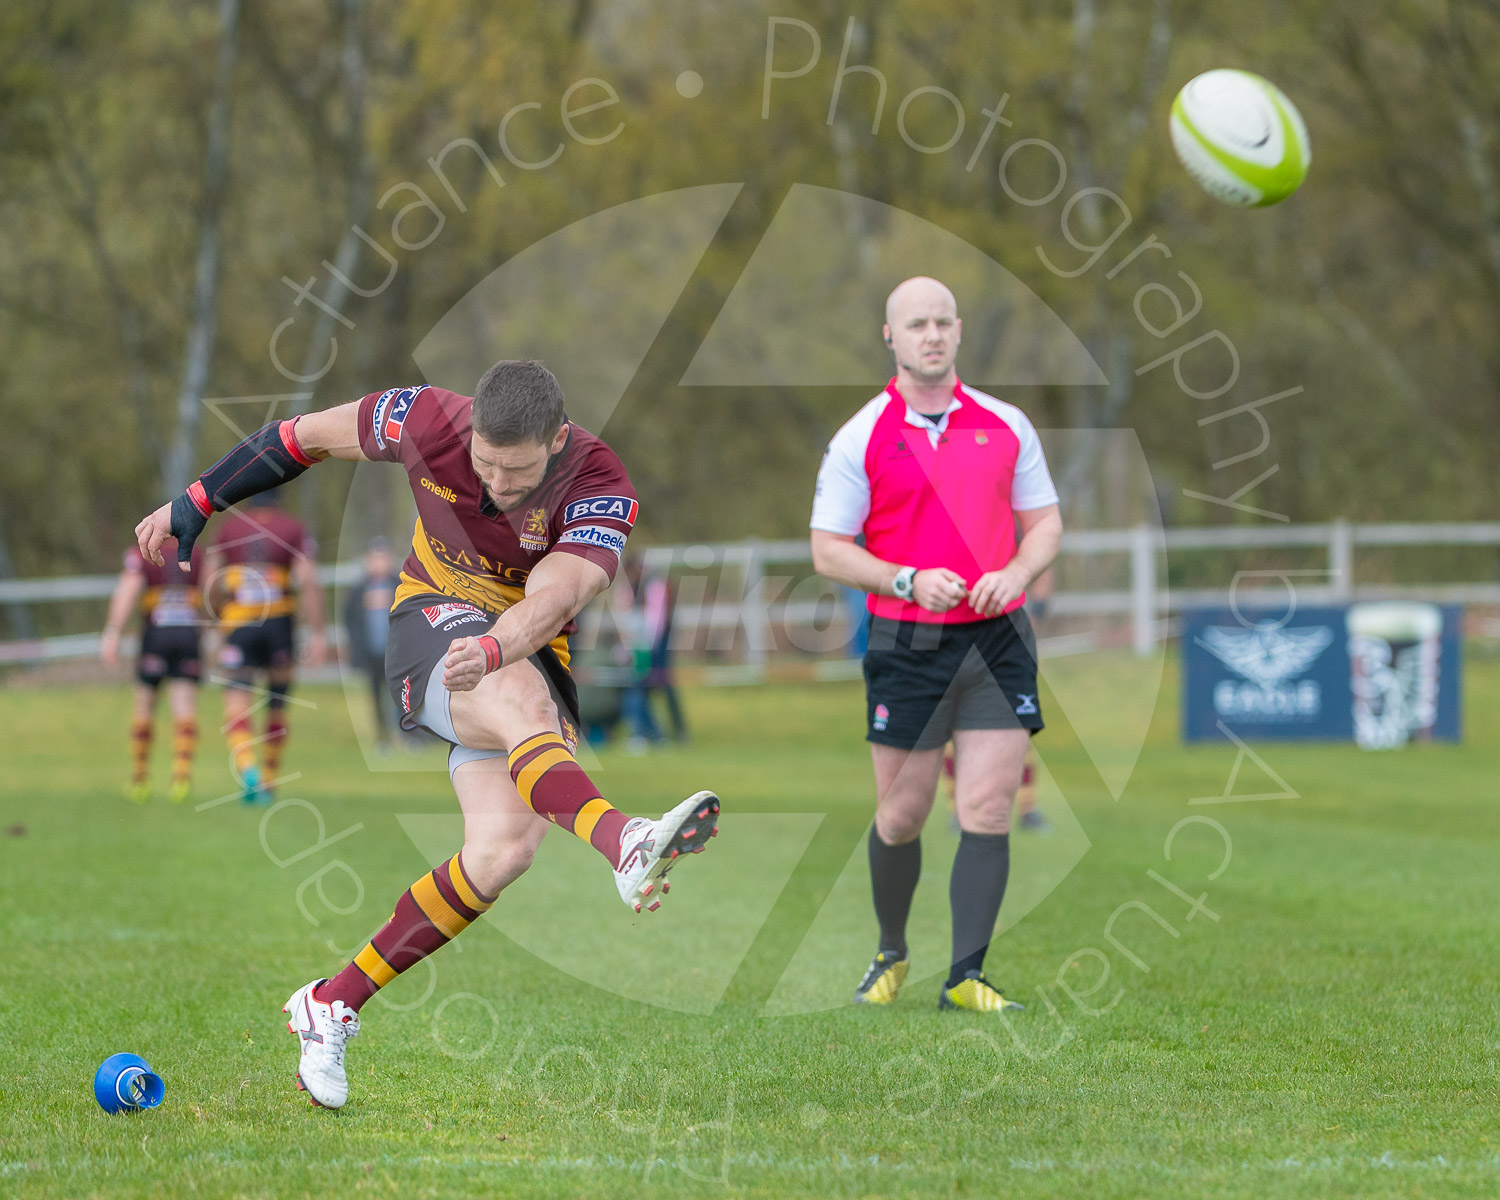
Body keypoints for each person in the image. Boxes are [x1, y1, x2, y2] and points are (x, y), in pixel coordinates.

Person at [134, 361, 719, 1109]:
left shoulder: (599, 478)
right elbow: (302, 437)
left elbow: (561, 591)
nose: (498, 487)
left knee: (503, 851)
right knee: (519, 704)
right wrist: (199, 497)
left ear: (559, 442)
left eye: (518, 473)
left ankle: (330, 1002)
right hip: (430, 619)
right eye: (485, 464)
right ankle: (624, 841)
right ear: (469, 430)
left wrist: (500, 647)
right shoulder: (422, 420)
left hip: (524, 644)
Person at [810, 277, 1063, 1014]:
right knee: (903, 815)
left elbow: (1045, 522)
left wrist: (1015, 571)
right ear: (890, 335)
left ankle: (967, 976)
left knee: (988, 808)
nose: (932, 334)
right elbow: (828, 550)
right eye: (917, 323)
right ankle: (891, 951)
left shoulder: (1007, 423)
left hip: (998, 638)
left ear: (959, 330)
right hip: (906, 641)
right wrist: (904, 578)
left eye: (944, 322)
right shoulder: (861, 436)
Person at [203, 490, 327, 805]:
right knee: (277, 703)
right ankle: (270, 779)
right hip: (279, 623)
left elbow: (210, 578)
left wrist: (216, 622)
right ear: (279, 498)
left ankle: (248, 771)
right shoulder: (292, 528)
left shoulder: (230, 528)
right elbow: (308, 578)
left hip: (240, 624)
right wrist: (318, 631)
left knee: (236, 699)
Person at [100, 544, 205, 804]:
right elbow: (211, 591)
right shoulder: (198, 551)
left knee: (145, 706)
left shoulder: (143, 551)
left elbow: (129, 589)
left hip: (156, 635)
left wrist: (113, 631)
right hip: (187, 634)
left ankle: (140, 779)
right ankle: (181, 778)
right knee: (184, 707)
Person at [342, 537, 400, 749]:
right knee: (376, 695)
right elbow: (350, 620)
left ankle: (409, 735)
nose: (380, 563)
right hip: (372, 652)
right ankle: (382, 737)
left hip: (396, 653)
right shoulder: (359, 589)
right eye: (376, 559)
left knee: (401, 696)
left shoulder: (401, 586)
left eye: (383, 558)